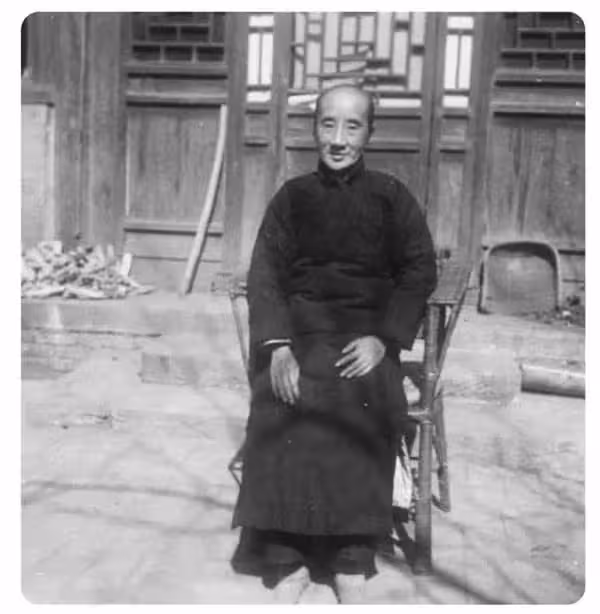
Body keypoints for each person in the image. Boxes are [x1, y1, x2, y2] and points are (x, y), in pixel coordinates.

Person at [231, 84, 437, 603]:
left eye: (352, 126)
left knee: (360, 397)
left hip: (365, 337)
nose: (339, 139)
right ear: (314, 128)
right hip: (299, 336)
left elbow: (419, 269)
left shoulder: (391, 196)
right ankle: (287, 554)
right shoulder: (292, 198)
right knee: (281, 397)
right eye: (328, 124)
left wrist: (385, 339)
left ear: (370, 133)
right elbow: (264, 275)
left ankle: (351, 555)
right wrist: (277, 347)